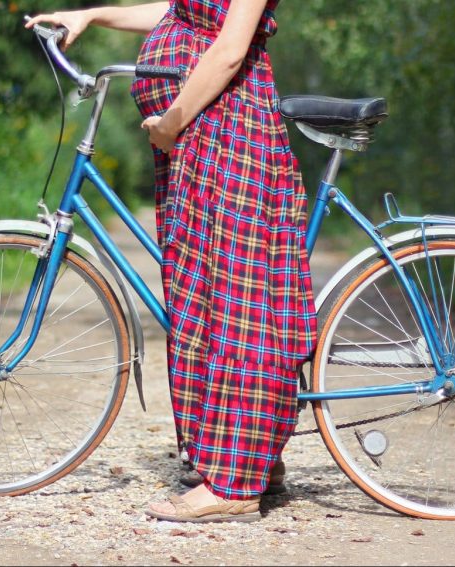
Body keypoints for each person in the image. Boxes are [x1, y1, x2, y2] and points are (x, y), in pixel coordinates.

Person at [27, 0, 315, 523]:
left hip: (230, 128)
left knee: (237, 301)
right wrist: (93, 16)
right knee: (205, 295)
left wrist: (173, 119)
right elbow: (180, 9)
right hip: (203, 135)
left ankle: (233, 484)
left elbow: (229, 50)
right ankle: (253, 456)